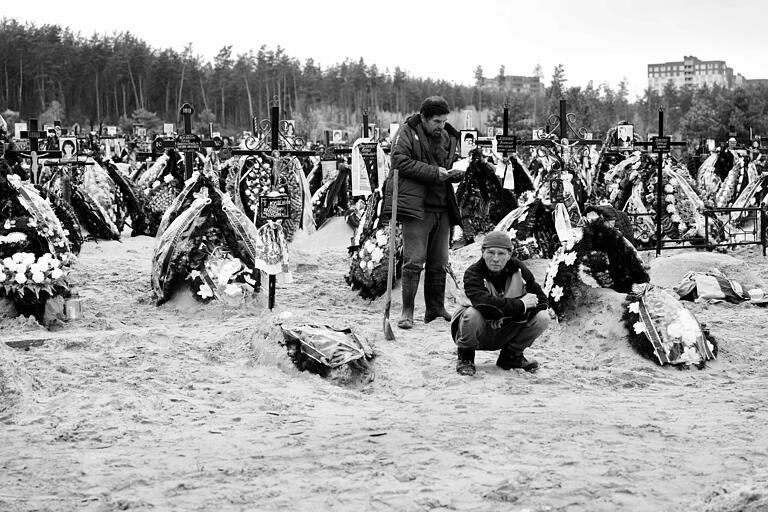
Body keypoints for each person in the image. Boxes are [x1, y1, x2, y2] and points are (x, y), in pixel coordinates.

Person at [383, 95, 464, 329]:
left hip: (443, 206)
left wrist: (454, 172)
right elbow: (399, 161)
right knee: (414, 261)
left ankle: (435, 308)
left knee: (439, 262)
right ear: (424, 117)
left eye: (443, 121)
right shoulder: (407, 133)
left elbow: (448, 164)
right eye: (437, 121)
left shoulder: (448, 135)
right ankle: (407, 311)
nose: (441, 125)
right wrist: (433, 172)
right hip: (417, 207)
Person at [451, 231, 550, 376]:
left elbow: (541, 301)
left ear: (510, 254)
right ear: (483, 252)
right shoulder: (473, 273)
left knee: (542, 318)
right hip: (477, 329)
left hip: (505, 328)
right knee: (472, 314)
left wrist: (505, 314)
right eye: (490, 252)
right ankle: (465, 357)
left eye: (501, 253)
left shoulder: (519, 269)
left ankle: (511, 356)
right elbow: (483, 304)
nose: (495, 259)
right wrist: (521, 305)